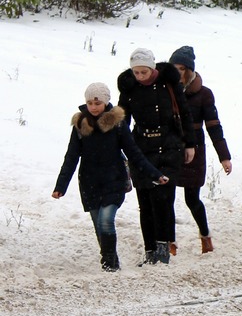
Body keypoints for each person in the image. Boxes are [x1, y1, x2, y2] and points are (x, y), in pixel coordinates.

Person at [52, 83, 169, 272]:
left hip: (113, 180)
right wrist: (60, 186)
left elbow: (134, 153)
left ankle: (108, 264)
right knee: (99, 224)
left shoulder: (117, 124)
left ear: (106, 102)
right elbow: (71, 158)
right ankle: (110, 257)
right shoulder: (81, 126)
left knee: (106, 220)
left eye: (97, 102)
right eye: (89, 102)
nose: (93, 107)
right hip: (89, 182)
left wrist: (155, 174)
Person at [116, 47, 196, 265]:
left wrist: (190, 143)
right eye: (136, 73)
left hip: (169, 146)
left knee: (163, 198)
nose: (140, 77)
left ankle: (163, 248)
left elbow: (185, 113)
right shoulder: (130, 88)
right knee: (145, 202)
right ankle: (150, 250)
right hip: (141, 147)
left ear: (152, 68)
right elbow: (122, 120)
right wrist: (119, 146)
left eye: (144, 72)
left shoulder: (168, 83)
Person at [170, 45, 232, 255]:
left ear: (189, 70)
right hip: (169, 148)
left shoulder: (203, 94)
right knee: (165, 196)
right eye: (174, 67)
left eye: (181, 68)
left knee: (192, 198)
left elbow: (214, 126)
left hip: (194, 150)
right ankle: (170, 242)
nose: (177, 72)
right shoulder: (164, 91)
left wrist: (224, 156)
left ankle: (205, 236)